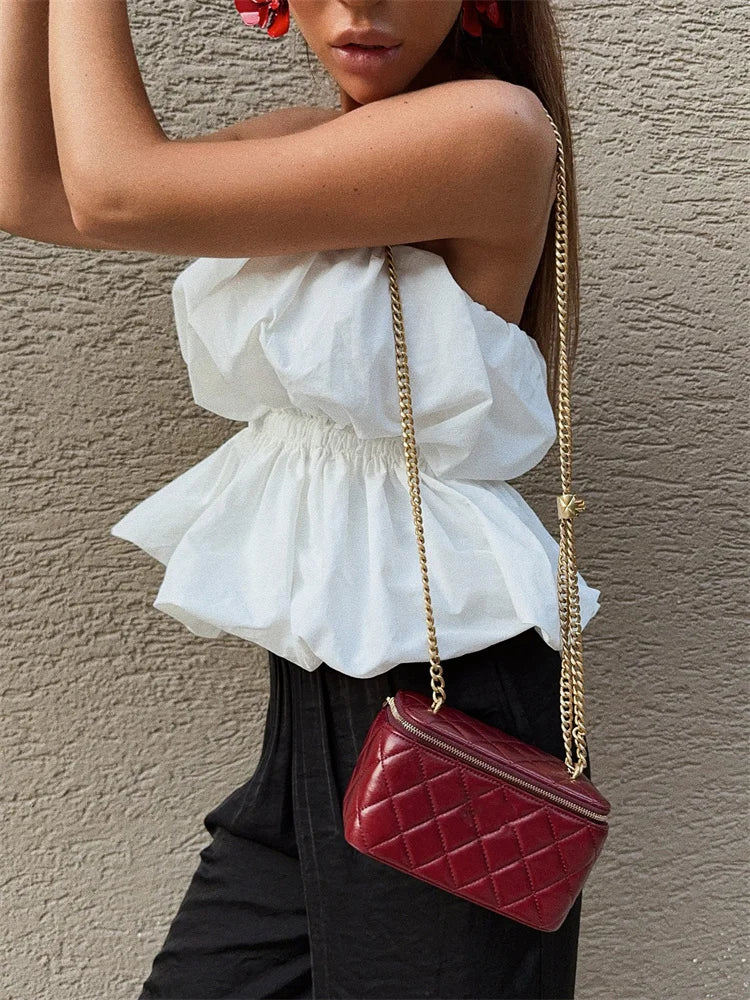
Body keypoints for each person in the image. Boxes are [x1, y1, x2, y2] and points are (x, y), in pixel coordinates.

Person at [0, 1, 603, 996]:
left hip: (448, 706)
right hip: (313, 708)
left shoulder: (492, 127)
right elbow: (34, 191)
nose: (358, 8)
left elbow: (116, 194)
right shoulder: (302, 142)